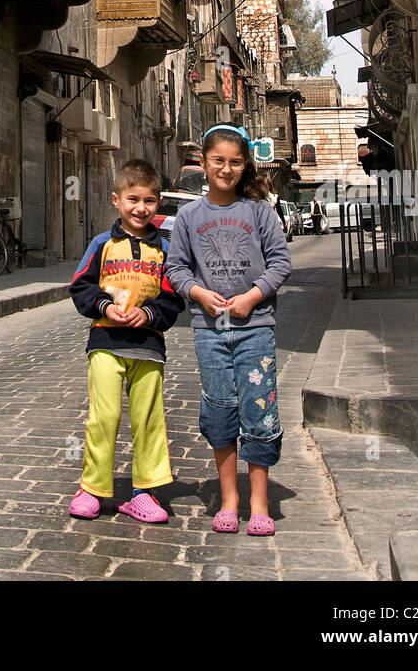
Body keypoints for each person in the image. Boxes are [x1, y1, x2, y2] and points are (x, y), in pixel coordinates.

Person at [165, 124, 291, 537]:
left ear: (245, 165)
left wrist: (252, 297)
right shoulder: (189, 216)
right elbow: (177, 268)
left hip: (256, 328)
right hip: (209, 329)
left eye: (235, 162)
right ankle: (228, 499)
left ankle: (258, 502)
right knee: (220, 409)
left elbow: (279, 263)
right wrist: (199, 293)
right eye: (218, 160)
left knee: (259, 408)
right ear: (204, 163)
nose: (226, 168)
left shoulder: (259, 212)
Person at [68, 158, 185, 523]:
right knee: (104, 417)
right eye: (133, 199)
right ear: (116, 200)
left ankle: (143, 492)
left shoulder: (163, 252)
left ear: (158, 203)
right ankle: (92, 487)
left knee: (148, 419)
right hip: (105, 342)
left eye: (149, 201)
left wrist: (148, 314)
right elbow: (81, 287)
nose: (141, 208)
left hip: (148, 349)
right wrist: (104, 305)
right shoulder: (102, 244)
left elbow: (172, 299)